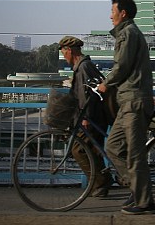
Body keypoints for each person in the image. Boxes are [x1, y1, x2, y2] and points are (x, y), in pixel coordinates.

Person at [96, 0, 155, 215]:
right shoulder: (126, 33)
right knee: (112, 146)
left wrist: (106, 83)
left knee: (135, 154)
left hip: (135, 100)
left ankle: (144, 201)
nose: (110, 15)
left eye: (113, 11)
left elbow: (122, 66)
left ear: (123, 14)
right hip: (127, 101)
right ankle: (140, 190)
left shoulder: (128, 34)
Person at [59, 35, 112, 198]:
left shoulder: (82, 68)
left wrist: (84, 118)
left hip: (91, 117)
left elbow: (86, 95)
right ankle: (102, 183)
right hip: (95, 116)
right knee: (93, 150)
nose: (64, 56)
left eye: (64, 52)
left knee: (78, 149)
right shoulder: (84, 65)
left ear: (70, 50)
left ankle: (100, 183)